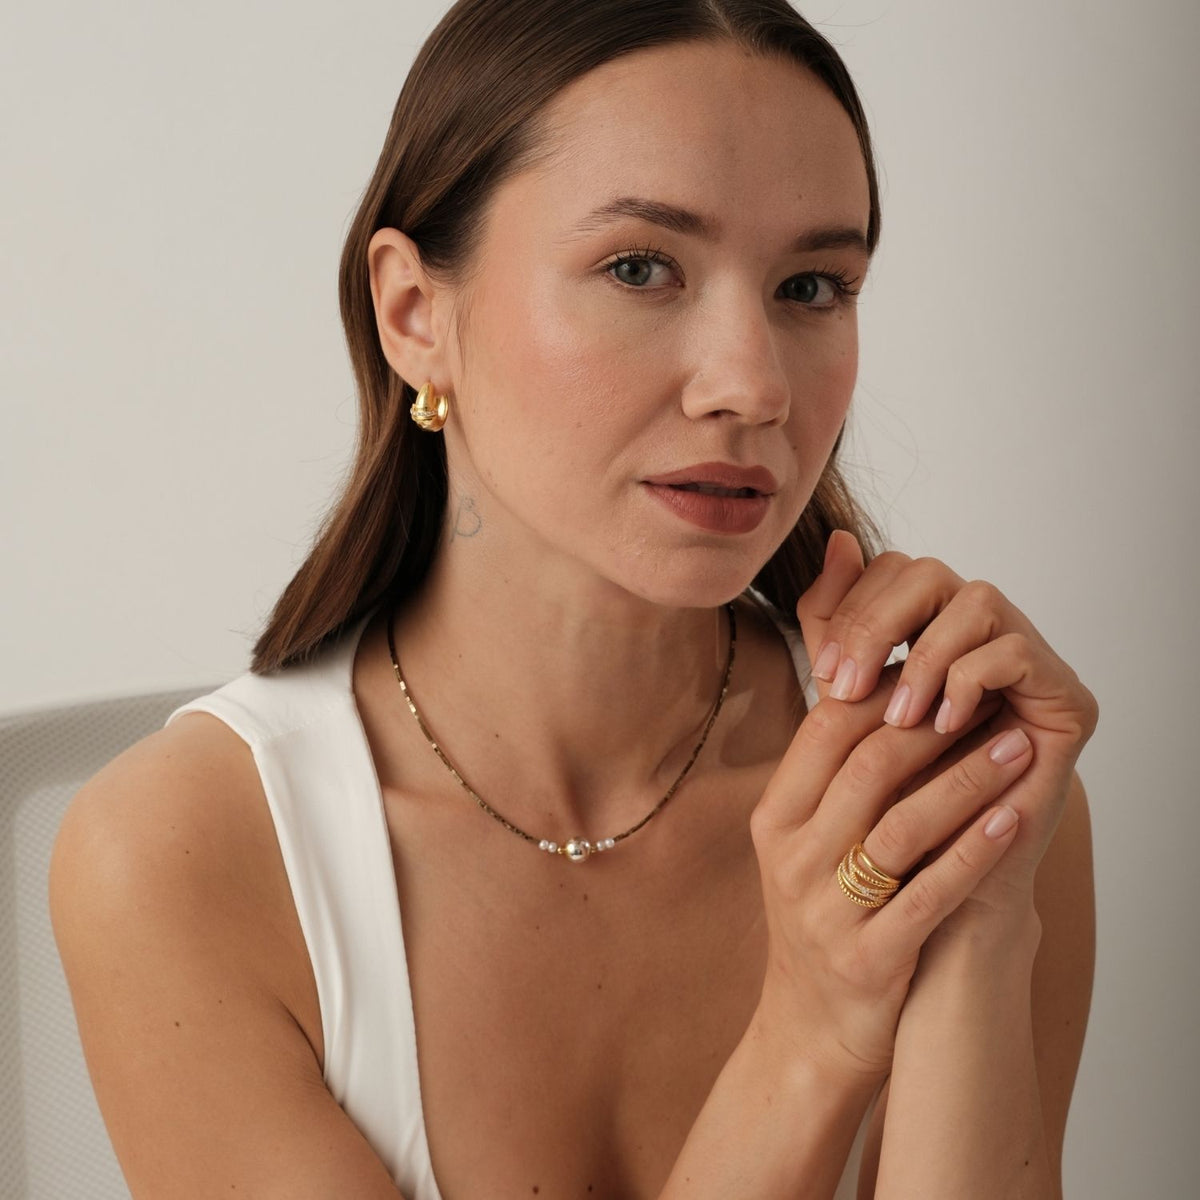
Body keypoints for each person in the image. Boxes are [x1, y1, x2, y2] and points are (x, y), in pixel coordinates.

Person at [49, 1, 1098, 1196]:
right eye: (639, 268)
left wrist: (969, 926)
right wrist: (813, 1033)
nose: (752, 385)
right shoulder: (182, 857)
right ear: (414, 315)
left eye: (812, 285)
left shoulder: (959, 794)